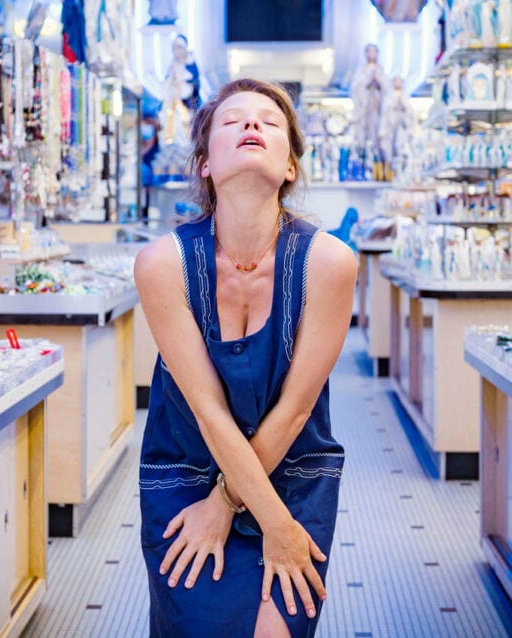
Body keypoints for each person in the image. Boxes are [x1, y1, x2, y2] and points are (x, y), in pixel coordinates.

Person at [134, 78, 357, 637]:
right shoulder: (163, 264)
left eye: (269, 121)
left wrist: (260, 516)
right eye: (233, 121)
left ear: (290, 168)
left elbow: (297, 409)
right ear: (205, 163)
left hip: (293, 474)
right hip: (188, 472)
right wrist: (216, 502)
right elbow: (207, 410)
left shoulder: (328, 263)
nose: (252, 125)